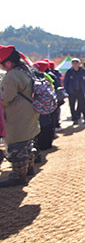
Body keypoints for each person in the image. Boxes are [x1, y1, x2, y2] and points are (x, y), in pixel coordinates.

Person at [0, 45, 40, 187]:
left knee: (17, 147)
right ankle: (28, 169)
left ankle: (18, 176)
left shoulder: (12, 75)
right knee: (27, 144)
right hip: (28, 113)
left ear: (8, 63)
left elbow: (6, 98)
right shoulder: (25, 70)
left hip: (17, 116)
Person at [63, 58, 85, 123]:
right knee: (72, 105)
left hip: (81, 90)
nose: (75, 64)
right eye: (73, 63)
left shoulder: (83, 71)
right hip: (71, 91)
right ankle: (74, 119)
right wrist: (66, 91)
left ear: (79, 64)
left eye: (76, 63)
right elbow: (66, 82)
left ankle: (78, 115)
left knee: (81, 105)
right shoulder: (69, 72)